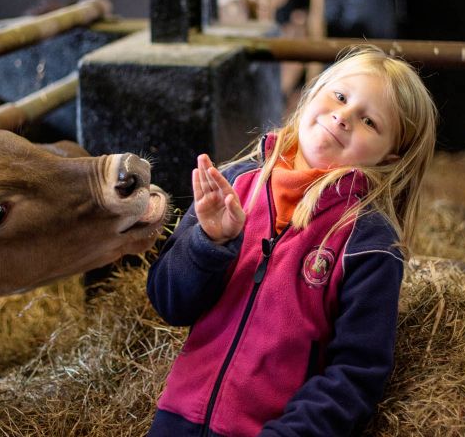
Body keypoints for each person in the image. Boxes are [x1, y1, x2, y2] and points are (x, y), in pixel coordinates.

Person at [146, 45, 438, 436]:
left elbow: (355, 373)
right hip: (176, 421)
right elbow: (169, 303)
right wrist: (208, 243)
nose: (344, 116)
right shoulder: (233, 185)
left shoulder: (367, 241)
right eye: (339, 96)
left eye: (369, 121)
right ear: (312, 92)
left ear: (388, 159)